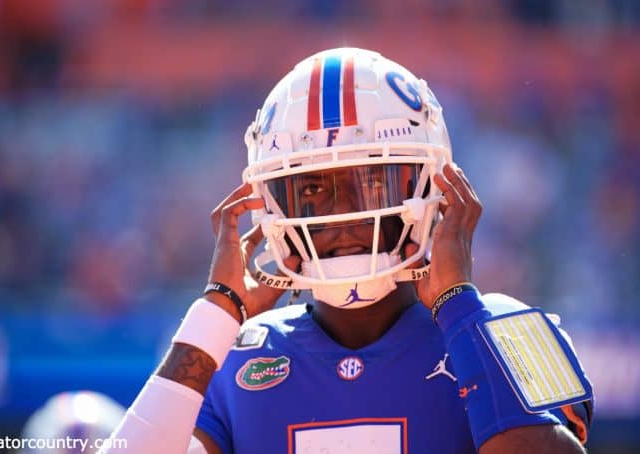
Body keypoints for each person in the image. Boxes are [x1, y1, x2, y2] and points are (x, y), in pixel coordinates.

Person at [105, 48, 593, 453]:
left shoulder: (510, 329)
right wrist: (217, 311)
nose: (341, 216)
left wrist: (460, 309)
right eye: (310, 190)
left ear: (430, 188)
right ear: (270, 204)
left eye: (370, 185)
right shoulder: (229, 355)